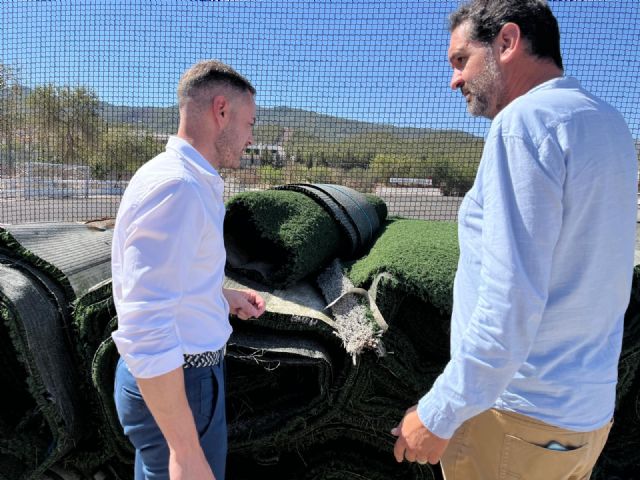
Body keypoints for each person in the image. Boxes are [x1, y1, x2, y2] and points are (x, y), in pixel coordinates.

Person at [392, 1, 638, 478]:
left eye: (461, 60)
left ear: (507, 42)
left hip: (514, 421)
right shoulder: (610, 125)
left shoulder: (524, 122)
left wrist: (439, 412)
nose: (454, 80)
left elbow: (509, 301)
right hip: (582, 419)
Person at [111, 60, 266, 480]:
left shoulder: (185, 179)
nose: (252, 138)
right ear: (221, 111)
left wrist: (219, 296)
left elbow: (165, 283)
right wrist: (185, 451)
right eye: (250, 123)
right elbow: (146, 322)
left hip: (178, 381)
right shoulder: (179, 186)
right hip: (180, 383)